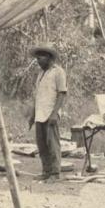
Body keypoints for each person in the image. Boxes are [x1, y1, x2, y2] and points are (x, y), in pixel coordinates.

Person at [28, 42, 67, 182]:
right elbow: (38, 96)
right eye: (37, 57)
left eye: (41, 57)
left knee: (53, 144)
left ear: (49, 57)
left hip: (50, 113)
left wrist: (54, 114)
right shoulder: (40, 74)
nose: (38, 60)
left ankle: (55, 173)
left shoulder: (58, 72)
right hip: (40, 113)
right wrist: (32, 116)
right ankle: (46, 171)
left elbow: (62, 94)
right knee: (42, 145)